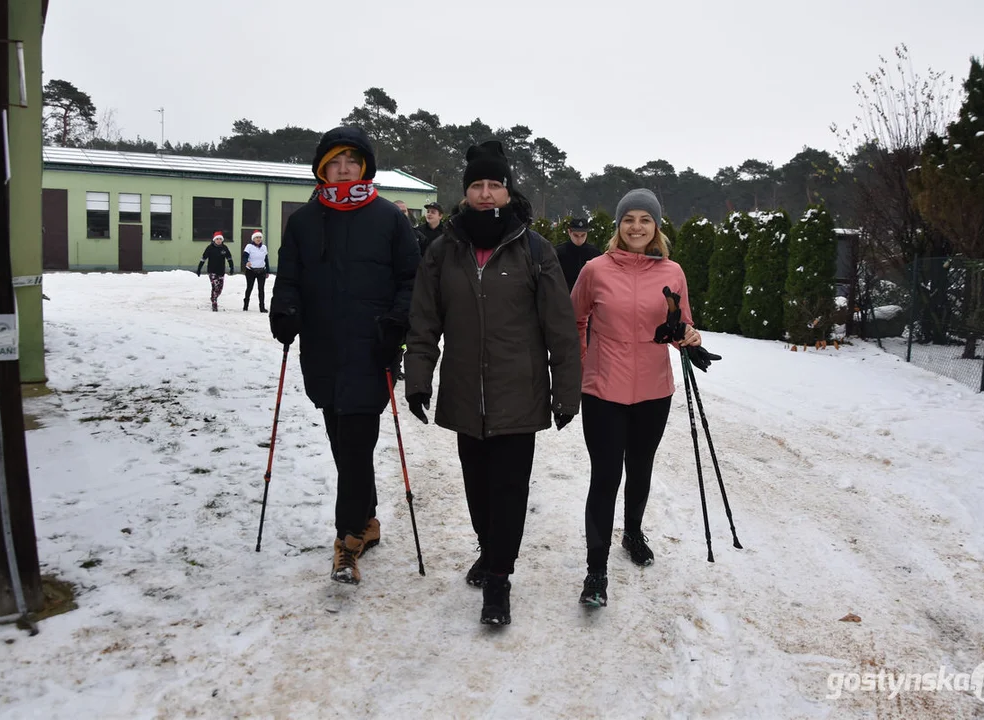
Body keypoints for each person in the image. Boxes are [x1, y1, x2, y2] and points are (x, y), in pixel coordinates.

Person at [404, 140, 581, 626]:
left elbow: (560, 327)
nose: (486, 194)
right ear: (465, 193)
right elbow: (424, 320)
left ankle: (500, 579)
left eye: (494, 185)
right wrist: (418, 378)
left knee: (509, 490)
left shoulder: (534, 249)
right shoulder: (444, 251)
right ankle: (489, 548)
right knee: (477, 490)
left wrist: (566, 392)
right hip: (465, 393)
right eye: (477, 186)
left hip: (518, 395)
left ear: (507, 191)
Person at [269, 126, 421, 585]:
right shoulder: (303, 221)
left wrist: (397, 320)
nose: (343, 169)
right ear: (322, 168)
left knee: (354, 445)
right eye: (334, 162)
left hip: (371, 349)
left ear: (365, 168)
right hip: (322, 349)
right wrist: (285, 307)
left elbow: (411, 280)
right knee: (344, 445)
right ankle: (368, 520)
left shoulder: (389, 219)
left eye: (351, 162)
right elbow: (289, 276)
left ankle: (347, 540)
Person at [570, 188, 716, 609]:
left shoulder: (673, 271)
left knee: (640, 467)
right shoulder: (595, 270)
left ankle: (632, 532)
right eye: (629, 219)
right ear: (618, 226)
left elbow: (680, 323)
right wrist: (585, 360)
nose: (636, 226)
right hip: (603, 390)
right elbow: (575, 318)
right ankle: (595, 570)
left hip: (654, 391)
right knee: (605, 477)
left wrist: (689, 336)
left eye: (645, 219)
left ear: (656, 227)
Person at [555, 216, 601, 292]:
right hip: (565, 298)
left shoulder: (595, 254)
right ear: (569, 232)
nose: (579, 239)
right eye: (576, 235)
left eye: (583, 235)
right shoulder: (558, 253)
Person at [197, 232, 234, 311]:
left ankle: (213, 297)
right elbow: (203, 258)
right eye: (217, 239)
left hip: (221, 271)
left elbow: (229, 258)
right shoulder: (210, 248)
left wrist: (232, 267)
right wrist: (199, 268)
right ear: (214, 240)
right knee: (215, 286)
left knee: (220, 288)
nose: (219, 240)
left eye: (220, 239)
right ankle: (214, 302)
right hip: (212, 271)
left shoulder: (224, 248)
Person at [242, 230, 270, 312]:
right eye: (257, 237)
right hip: (251, 271)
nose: (258, 239)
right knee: (249, 288)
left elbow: (266, 259)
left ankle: (262, 307)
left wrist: (268, 271)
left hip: (262, 271)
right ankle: (245, 305)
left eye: (260, 237)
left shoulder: (264, 247)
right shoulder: (249, 246)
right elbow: (244, 257)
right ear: (253, 239)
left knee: (261, 289)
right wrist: (246, 262)